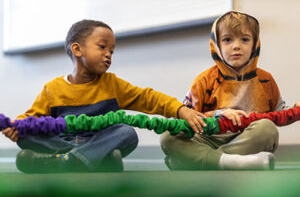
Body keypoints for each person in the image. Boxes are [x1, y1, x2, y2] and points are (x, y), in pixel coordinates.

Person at [2, 19, 207, 173]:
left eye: (112, 51)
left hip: (100, 139)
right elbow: (32, 118)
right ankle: (94, 160)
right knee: (27, 136)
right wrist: (16, 127)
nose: (108, 54)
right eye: (102, 47)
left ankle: (69, 161)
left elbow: (148, 98)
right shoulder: (52, 88)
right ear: (77, 49)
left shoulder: (112, 84)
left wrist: (181, 110)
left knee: (126, 132)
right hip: (64, 142)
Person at [160, 11, 300, 170]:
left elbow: (279, 112)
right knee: (168, 136)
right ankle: (231, 163)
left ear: (255, 44)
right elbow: (189, 118)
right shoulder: (204, 80)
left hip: (246, 138)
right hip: (209, 137)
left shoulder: (266, 79)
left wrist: (295, 109)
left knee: (267, 129)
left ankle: (197, 161)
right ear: (216, 44)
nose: (236, 46)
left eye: (245, 39)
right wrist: (218, 114)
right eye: (227, 39)